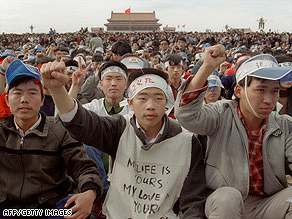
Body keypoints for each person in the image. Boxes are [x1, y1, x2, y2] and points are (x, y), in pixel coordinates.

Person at [40, 61, 208, 218]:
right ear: (130, 103)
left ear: (166, 103)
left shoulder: (187, 142)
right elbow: (81, 122)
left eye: (158, 98)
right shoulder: (120, 129)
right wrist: (57, 89)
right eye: (142, 98)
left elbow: (192, 200)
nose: (150, 105)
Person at [174, 45, 292, 218]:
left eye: (274, 91)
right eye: (260, 90)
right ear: (239, 90)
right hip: (223, 203)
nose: (269, 99)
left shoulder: (285, 125)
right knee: (228, 197)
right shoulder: (221, 114)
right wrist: (207, 67)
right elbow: (186, 114)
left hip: (268, 204)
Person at [0, 59, 103, 218]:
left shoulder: (59, 130)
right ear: (7, 100)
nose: (24, 99)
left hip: (50, 207)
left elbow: (83, 167)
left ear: (42, 100)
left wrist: (89, 192)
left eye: (32, 93)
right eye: (17, 93)